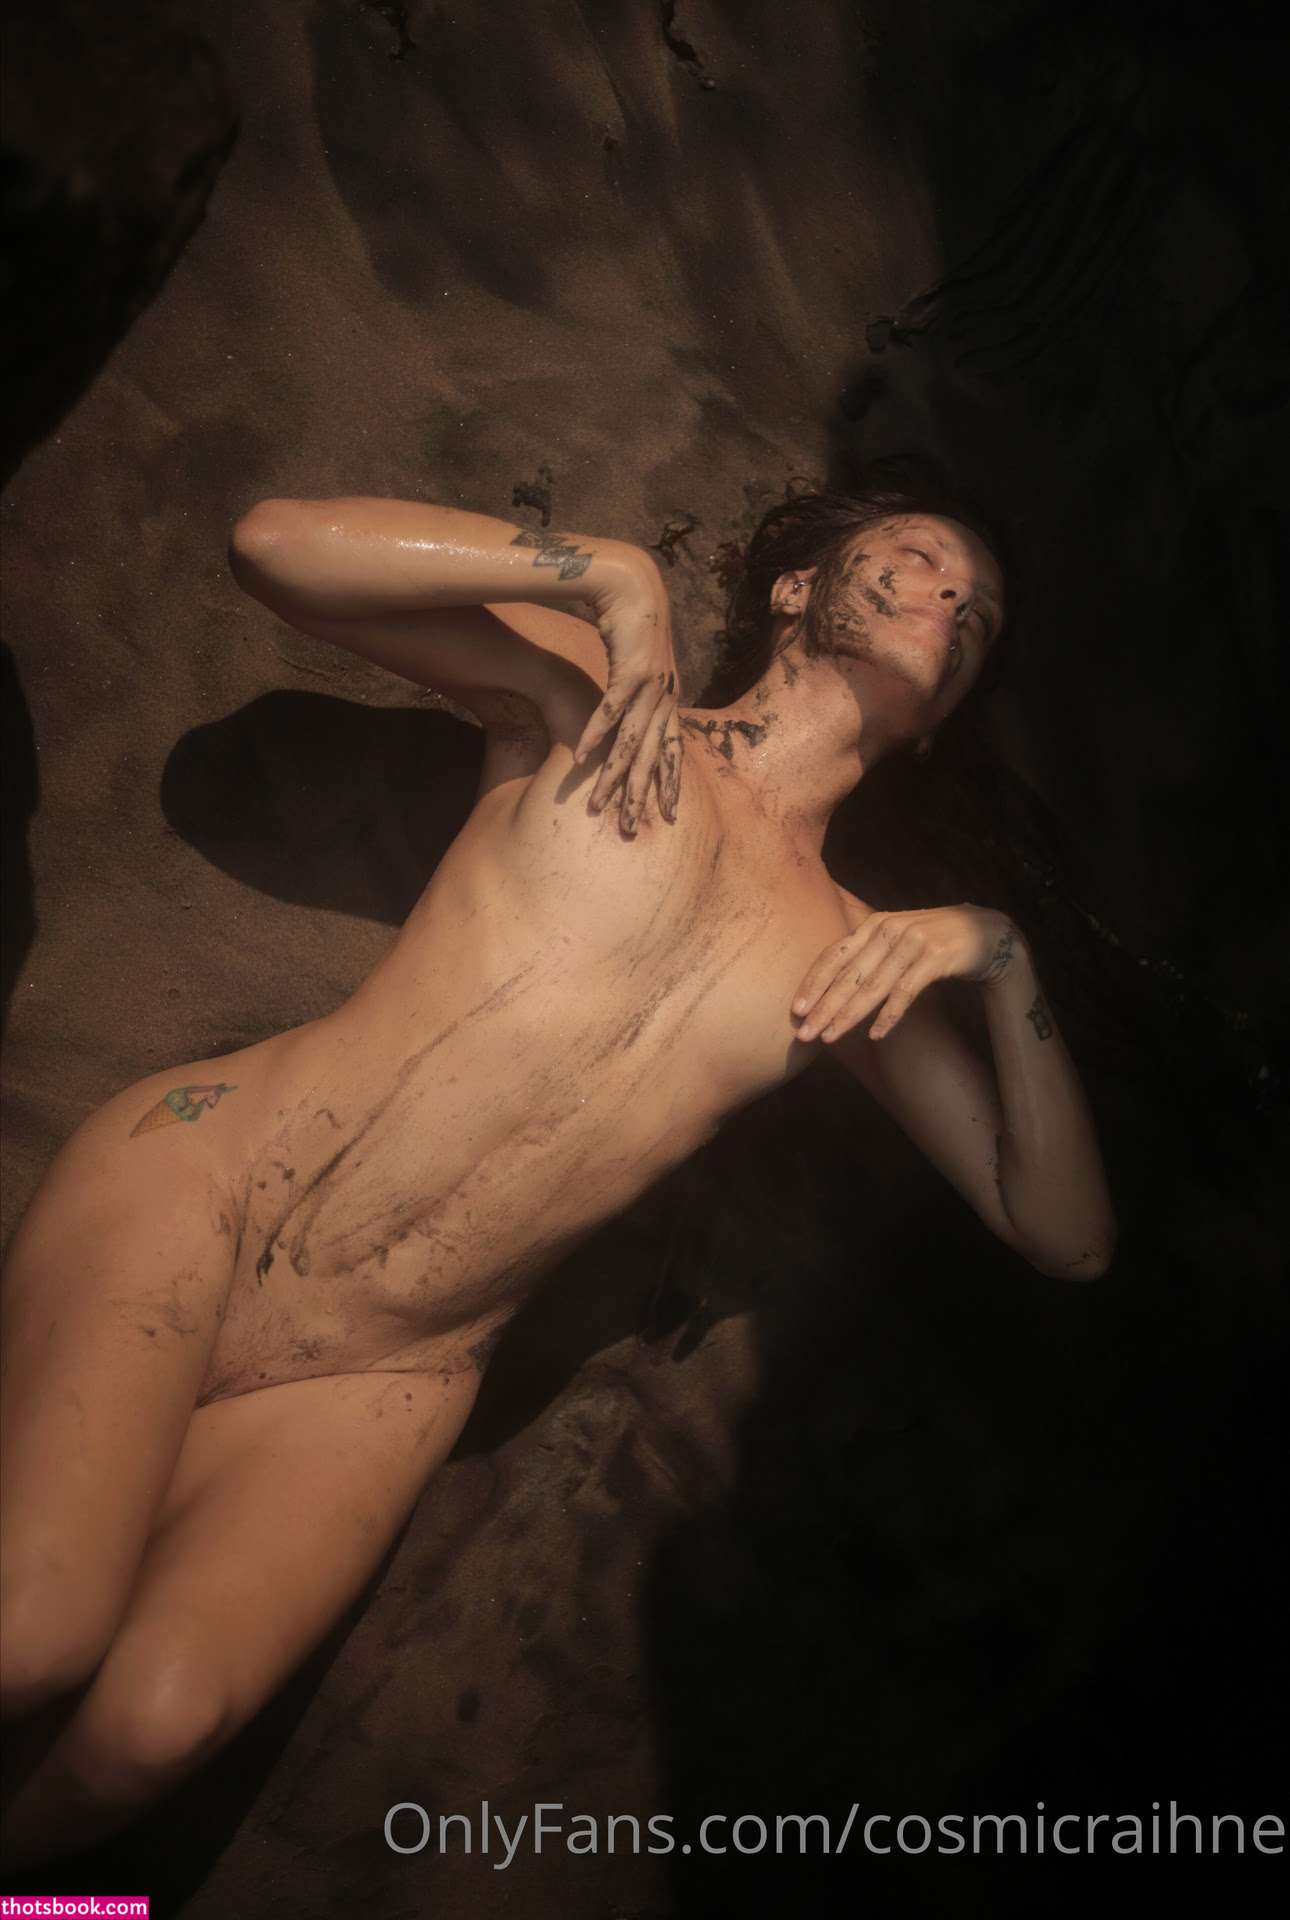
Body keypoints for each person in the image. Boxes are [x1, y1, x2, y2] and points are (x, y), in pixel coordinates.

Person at [0, 466, 1116, 1866]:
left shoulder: (851, 958)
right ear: (796, 587)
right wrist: (606, 575)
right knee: (31, 1635)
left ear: (946, 714)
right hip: (218, 1187)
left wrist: (999, 958)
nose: (948, 595)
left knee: (149, 1733)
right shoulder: (593, 700)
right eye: (916, 557)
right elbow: (273, 545)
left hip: (388, 1372)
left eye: (977, 610)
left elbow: (1064, 1233)